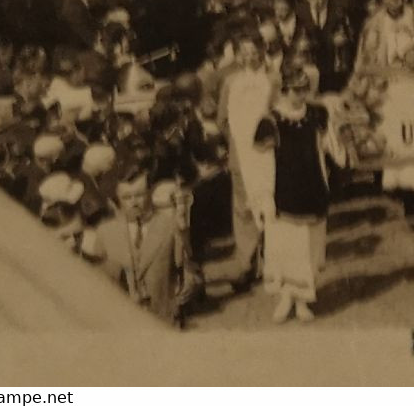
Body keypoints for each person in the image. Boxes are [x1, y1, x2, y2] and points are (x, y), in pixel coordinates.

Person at [254, 64, 341, 323]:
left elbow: (327, 145)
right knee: (285, 248)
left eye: (305, 89)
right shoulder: (271, 121)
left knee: (309, 247)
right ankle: (285, 299)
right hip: (284, 194)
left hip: (312, 188)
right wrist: (264, 197)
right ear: (284, 90)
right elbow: (263, 162)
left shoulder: (316, 113)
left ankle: (303, 301)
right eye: (296, 90)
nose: (301, 95)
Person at [89, 168, 193, 326]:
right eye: (126, 197)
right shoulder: (105, 233)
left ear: (150, 193)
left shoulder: (169, 227)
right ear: (116, 199)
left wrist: (181, 297)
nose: (134, 202)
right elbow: (99, 281)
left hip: (162, 319)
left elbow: (187, 271)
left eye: (139, 195)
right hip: (121, 324)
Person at [218, 31, 275, 292]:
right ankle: (246, 264)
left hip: (267, 153)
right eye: (245, 52)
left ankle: (273, 261)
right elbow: (222, 119)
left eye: (255, 51)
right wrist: (238, 140)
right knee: (243, 208)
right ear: (238, 56)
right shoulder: (230, 82)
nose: (250, 57)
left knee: (269, 202)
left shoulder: (272, 79)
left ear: (262, 52)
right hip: (240, 153)